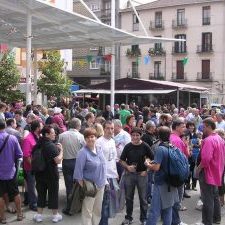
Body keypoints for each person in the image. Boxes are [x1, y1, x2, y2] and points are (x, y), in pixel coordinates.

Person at [145, 126, 179, 225]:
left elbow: (156, 167)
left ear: (158, 136)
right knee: (167, 209)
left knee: (154, 211)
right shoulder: (172, 146)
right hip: (171, 182)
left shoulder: (160, 148)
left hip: (161, 183)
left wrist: (147, 164)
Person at [120, 127, 154, 225]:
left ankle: (143, 219)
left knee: (143, 198)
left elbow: (154, 159)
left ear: (141, 135)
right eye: (133, 135)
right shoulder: (128, 146)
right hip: (129, 175)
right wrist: (127, 167)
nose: (135, 137)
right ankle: (128, 218)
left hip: (142, 175)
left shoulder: (145, 146)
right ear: (131, 136)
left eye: (137, 135)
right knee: (129, 197)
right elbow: (121, 160)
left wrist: (147, 170)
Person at [73, 128, 107, 225]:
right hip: (90, 187)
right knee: (87, 212)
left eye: (92, 137)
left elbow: (103, 166)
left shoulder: (99, 149)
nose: (90, 139)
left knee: (97, 210)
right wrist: (85, 187)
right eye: (87, 137)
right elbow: (78, 174)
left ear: (96, 137)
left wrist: (105, 181)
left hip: (101, 185)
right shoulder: (82, 153)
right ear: (85, 139)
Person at [197, 118, 225, 225]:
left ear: (209, 126)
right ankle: (216, 219)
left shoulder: (208, 140)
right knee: (214, 197)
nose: (202, 129)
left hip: (208, 173)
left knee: (207, 199)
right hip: (216, 172)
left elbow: (206, 159)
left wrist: (199, 168)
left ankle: (207, 221)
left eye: (204, 127)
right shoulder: (220, 138)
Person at [33, 125, 63, 223]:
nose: (54, 134)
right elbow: (58, 160)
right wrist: (61, 150)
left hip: (39, 174)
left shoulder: (38, 143)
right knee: (53, 194)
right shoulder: (50, 145)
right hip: (51, 175)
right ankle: (55, 215)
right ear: (47, 134)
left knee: (41, 194)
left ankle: (39, 215)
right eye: (53, 132)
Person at [58, 118, 85, 215]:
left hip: (66, 162)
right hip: (77, 163)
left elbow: (58, 147)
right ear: (78, 126)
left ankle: (69, 207)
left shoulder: (62, 135)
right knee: (78, 185)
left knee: (69, 186)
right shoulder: (81, 136)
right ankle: (77, 206)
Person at [0, 119, 23, 223]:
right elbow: (19, 154)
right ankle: (19, 214)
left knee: (0, 195)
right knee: (15, 193)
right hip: (11, 172)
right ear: (5, 126)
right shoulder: (12, 138)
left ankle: (3, 218)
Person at [97, 121, 119, 225]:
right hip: (103, 177)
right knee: (104, 203)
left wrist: (115, 173)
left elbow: (113, 159)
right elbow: (98, 162)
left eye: (112, 128)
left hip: (112, 176)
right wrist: (104, 178)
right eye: (108, 128)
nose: (110, 130)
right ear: (104, 129)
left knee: (109, 203)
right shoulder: (99, 142)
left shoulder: (112, 141)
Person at [170, 119, 189, 225]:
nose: (184, 129)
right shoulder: (176, 140)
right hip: (177, 174)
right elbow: (180, 159)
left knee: (174, 199)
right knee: (176, 199)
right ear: (176, 127)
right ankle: (176, 221)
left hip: (173, 173)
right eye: (182, 127)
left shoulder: (174, 138)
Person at [22, 120, 42, 211]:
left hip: (37, 166)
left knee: (36, 185)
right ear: (37, 128)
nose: (42, 127)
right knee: (31, 186)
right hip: (31, 168)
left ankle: (37, 201)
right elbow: (26, 156)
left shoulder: (38, 136)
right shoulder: (27, 139)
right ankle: (33, 203)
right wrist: (34, 166)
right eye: (41, 126)